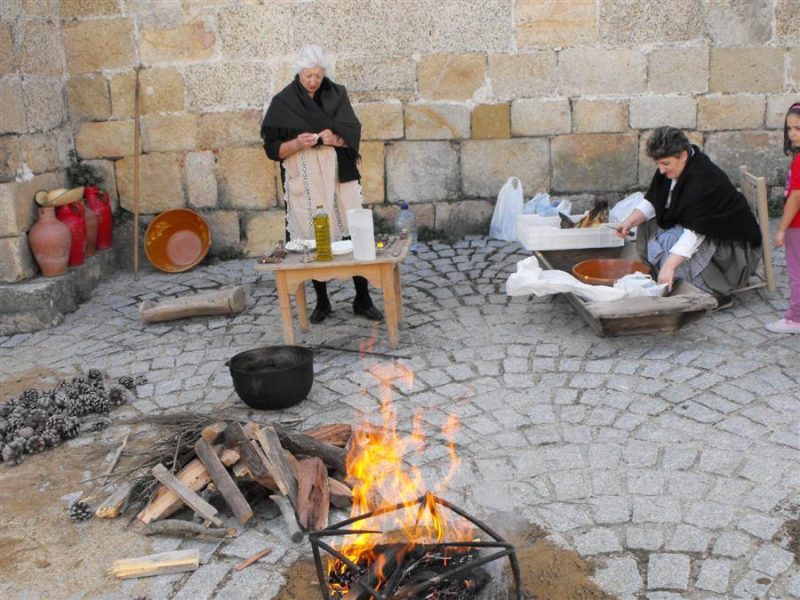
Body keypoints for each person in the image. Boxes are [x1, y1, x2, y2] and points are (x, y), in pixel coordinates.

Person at [260, 45, 382, 324]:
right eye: (307, 76)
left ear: (324, 73)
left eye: (317, 75)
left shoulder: (336, 94)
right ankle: (322, 301)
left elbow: (352, 133)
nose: (313, 81)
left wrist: (334, 137)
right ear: (298, 75)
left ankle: (362, 298)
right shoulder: (284, 102)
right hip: (303, 175)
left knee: (353, 229)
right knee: (313, 233)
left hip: (339, 173)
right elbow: (272, 149)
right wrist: (295, 143)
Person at [616, 126, 762, 308]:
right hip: (706, 231)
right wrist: (629, 221)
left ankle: (716, 293)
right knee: (650, 226)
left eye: (665, 164)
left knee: (672, 244)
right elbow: (654, 200)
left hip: (734, 251)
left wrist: (670, 265)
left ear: (683, 155)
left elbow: (696, 233)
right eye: (658, 164)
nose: (661, 170)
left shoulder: (703, 181)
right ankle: (668, 278)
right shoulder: (674, 165)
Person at [765, 103, 800, 333]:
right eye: (789, 129)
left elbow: (796, 197)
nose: (792, 134)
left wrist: (780, 229)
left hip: (797, 226)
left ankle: (795, 317)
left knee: (796, 272)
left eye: (797, 128)